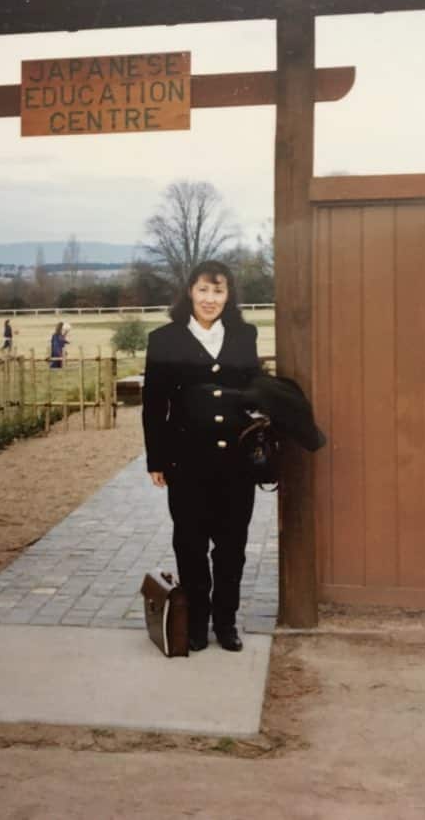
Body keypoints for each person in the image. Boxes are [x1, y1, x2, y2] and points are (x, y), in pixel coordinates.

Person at [141, 260, 263, 653]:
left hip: (236, 466)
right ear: (189, 292)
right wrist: (156, 460)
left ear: (230, 296)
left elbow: (254, 392)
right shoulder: (164, 339)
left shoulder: (245, 335)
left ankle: (225, 623)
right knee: (190, 545)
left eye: (219, 290)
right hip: (187, 464)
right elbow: (153, 405)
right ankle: (195, 624)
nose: (210, 299)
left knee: (231, 547)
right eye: (203, 290)